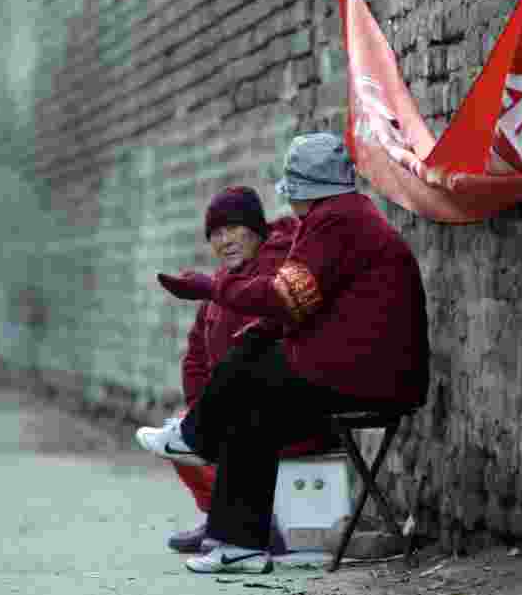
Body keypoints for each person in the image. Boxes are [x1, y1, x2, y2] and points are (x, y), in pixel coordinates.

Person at [137, 132, 430, 575]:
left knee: (250, 368)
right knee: (251, 394)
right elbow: (305, 299)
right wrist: (262, 326)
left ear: (303, 191)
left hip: (370, 378)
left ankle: (196, 438)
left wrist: (211, 287)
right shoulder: (344, 216)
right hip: (366, 372)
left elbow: (284, 295)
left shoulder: (338, 221)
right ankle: (238, 543)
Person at [160, 186, 337, 555]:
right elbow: (194, 356)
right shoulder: (219, 285)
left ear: (256, 231)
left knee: (220, 430)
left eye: (234, 229)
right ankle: (218, 518)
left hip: (283, 409)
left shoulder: (278, 269)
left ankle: (252, 525)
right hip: (234, 411)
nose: (225, 241)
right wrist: (202, 408)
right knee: (182, 431)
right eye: (216, 234)